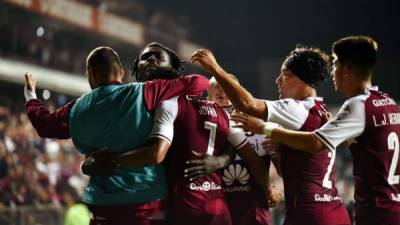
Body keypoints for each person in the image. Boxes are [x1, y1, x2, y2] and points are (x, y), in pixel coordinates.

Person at [82, 53, 281, 225]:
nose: (226, 99)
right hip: (209, 208)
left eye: (229, 93)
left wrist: (110, 162)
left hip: (205, 209)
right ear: (208, 98)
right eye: (219, 96)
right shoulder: (154, 109)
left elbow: (156, 154)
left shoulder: (248, 125)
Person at [24, 43, 210, 225]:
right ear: (121, 71)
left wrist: (30, 97)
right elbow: (200, 83)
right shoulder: (145, 92)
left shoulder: (75, 109)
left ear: (91, 74)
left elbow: (44, 124)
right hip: (147, 206)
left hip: (103, 208)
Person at [233, 36, 400, 225]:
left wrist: (266, 128)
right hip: (385, 206)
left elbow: (315, 143)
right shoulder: (388, 103)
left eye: (335, 64)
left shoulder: (357, 106)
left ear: (346, 70)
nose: (332, 72)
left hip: (372, 211)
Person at [191, 46, 351, 225]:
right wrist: (279, 149)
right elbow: (288, 171)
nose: (277, 80)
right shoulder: (319, 110)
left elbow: (247, 104)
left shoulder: (296, 109)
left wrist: (214, 67)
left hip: (309, 214)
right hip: (331, 209)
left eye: (284, 74)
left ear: (299, 80)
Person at [195, 76, 279, 225]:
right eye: (220, 97)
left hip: (254, 214)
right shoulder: (200, 128)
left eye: (231, 96)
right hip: (217, 213)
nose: (227, 102)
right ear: (209, 99)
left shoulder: (261, 125)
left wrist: (280, 151)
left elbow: (282, 170)